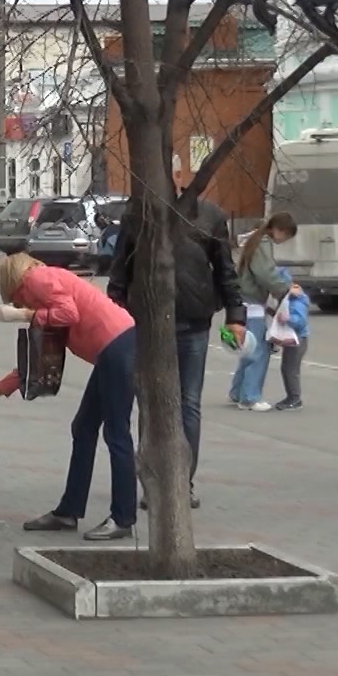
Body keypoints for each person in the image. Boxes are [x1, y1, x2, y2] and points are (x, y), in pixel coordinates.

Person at [0, 252, 138, 541]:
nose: (13, 301)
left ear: (12, 282)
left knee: (117, 434)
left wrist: (22, 315)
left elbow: (70, 313)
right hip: (115, 347)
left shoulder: (38, 279)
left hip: (117, 346)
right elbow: (29, 369)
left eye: (11, 295)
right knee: (83, 428)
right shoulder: (44, 297)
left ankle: (122, 518)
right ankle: (68, 511)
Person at [108, 159, 245, 510]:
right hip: (147, 325)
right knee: (150, 404)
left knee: (189, 404)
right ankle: (151, 480)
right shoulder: (137, 215)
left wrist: (236, 315)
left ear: (181, 177)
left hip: (194, 324)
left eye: (169, 175)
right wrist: (117, 313)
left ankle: (183, 481)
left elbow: (227, 271)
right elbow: (119, 271)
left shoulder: (209, 215)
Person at [229, 212, 297, 412]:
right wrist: (285, 288)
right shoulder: (262, 244)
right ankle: (250, 397)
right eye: (286, 236)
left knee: (249, 347)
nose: (284, 240)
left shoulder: (255, 240)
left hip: (246, 301)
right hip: (253, 302)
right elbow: (265, 273)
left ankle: (238, 391)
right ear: (279, 230)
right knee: (258, 350)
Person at [274, 269, 310, 411]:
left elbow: (300, 321)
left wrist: (288, 319)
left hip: (298, 339)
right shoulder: (289, 299)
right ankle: (292, 397)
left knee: (290, 369)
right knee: (287, 368)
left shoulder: (297, 300)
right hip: (293, 338)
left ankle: (294, 398)